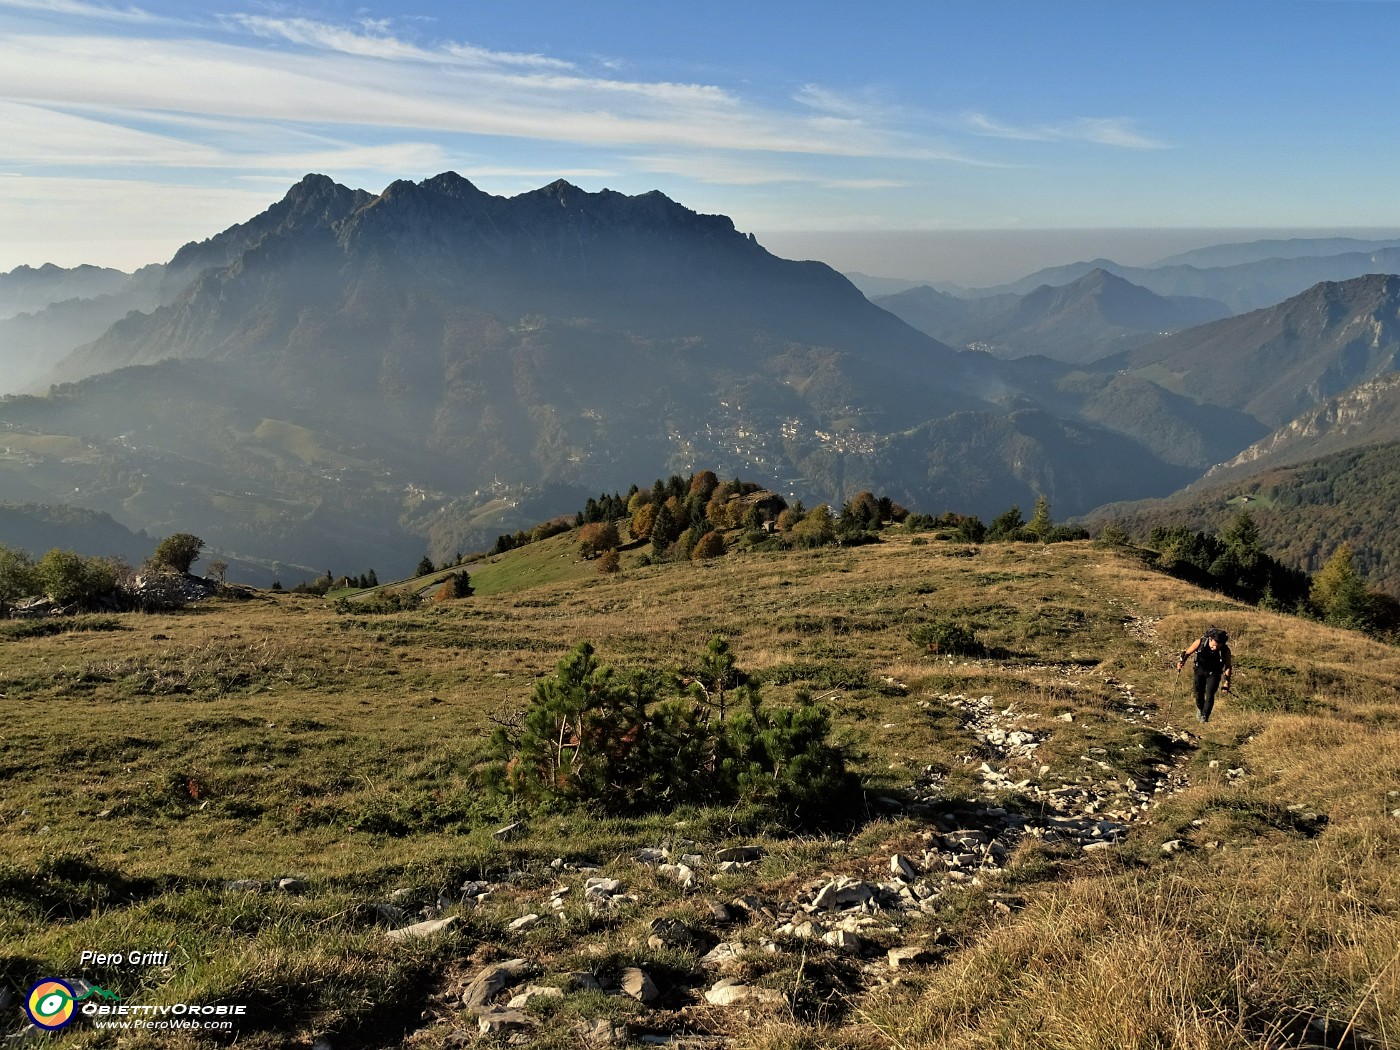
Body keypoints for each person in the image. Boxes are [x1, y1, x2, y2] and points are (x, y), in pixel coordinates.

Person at [1176, 627, 1232, 723]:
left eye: (1218, 646)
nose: (1215, 648)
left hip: (1214, 674)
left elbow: (1228, 666)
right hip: (1199, 671)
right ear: (1210, 639)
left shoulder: (1225, 650)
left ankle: (1204, 717)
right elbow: (1187, 653)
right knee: (1198, 693)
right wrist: (1182, 662)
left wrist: (1226, 683)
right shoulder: (1200, 642)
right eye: (1213, 645)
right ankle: (1200, 708)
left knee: (1210, 695)